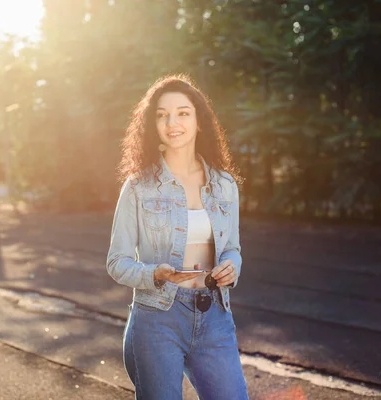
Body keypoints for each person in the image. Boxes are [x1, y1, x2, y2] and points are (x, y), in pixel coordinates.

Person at [106, 74, 249, 399]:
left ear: (199, 121)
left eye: (183, 112)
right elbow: (117, 262)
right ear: (152, 124)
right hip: (158, 319)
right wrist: (153, 273)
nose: (173, 122)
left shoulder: (225, 185)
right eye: (162, 114)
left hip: (215, 316)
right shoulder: (138, 187)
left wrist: (231, 266)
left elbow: (233, 250)